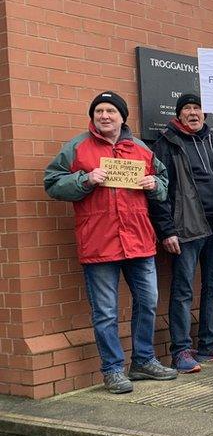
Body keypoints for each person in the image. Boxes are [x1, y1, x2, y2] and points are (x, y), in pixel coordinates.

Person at [44, 91, 177, 393]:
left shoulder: (141, 149)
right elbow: (52, 182)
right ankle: (113, 369)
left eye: (111, 111)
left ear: (122, 117)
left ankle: (143, 360)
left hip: (139, 241)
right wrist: (85, 180)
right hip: (99, 243)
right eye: (99, 111)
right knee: (105, 311)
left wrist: (155, 184)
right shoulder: (77, 147)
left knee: (148, 302)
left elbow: (164, 183)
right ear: (92, 117)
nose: (105, 116)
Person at [149, 93, 213, 373]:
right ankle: (180, 351)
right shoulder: (167, 143)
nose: (193, 113)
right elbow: (160, 193)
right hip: (185, 228)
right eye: (187, 109)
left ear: (205, 114)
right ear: (179, 114)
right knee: (182, 291)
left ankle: (210, 343)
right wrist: (166, 230)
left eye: (198, 108)